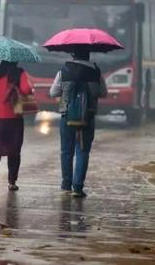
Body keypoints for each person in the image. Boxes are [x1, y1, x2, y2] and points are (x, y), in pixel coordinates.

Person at [49, 50, 108, 198]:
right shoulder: (96, 72)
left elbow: (53, 92)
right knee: (82, 151)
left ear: (73, 55)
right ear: (88, 55)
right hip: (87, 117)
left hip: (67, 116)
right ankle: (78, 188)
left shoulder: (64, 70)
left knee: (66, 152)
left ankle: (66, 186)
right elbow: (103, 93)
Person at [0, 60, 32, 192]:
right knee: (14, 151)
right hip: (14, 117)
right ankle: (11, 182)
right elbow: (26, 89)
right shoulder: (19, 73)